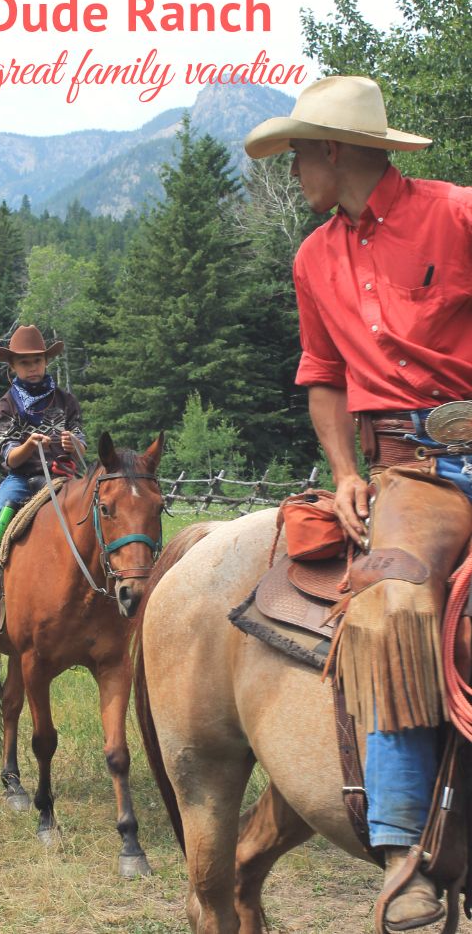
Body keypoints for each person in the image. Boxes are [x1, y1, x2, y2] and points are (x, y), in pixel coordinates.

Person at [244, 75, 472, 932]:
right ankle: (404, 849)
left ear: (333, 151)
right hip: (411, 472)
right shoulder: (312, 258)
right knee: (391, 603)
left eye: (299, 152)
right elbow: (325, 378)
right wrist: (344, 471)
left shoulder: (457, 214)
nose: (294, 167)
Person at [0, 324, 87, 638]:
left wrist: (73, 445)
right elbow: (9, 456)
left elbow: (80, 440)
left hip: (64, 476)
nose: (33, 367)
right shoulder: (6, 405)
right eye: (25, 362)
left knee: (99, 513)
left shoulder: (66, 401)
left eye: (38, 360)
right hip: (23, 479)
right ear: (12, 366)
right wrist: (28, 445)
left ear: (46, 362)